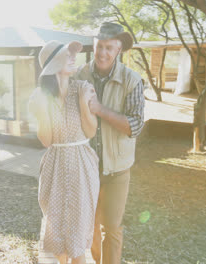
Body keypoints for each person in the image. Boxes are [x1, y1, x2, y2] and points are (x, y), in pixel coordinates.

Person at [74, 22, 145, 264]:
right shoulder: (79, 76)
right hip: (86, 168)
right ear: (93, 47)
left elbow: (135, 126)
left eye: (109, 48)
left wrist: (100, 110)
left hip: (117, 170)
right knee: (91, 227)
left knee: (111, 227)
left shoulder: (132, 80)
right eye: (99, 47)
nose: (103, 53)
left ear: (119, 50)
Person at [28, 40, 100, 264]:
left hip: (81, 163)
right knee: (56, 227)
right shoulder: (40, 96)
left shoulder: (83, 88)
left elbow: (91, 130)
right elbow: (47, 140)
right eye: (66, 54)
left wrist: (82, 103)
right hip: (55, 165)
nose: (72, 57)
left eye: (72, 54)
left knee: (78, 232)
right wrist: (43, 112)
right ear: (52, 63)